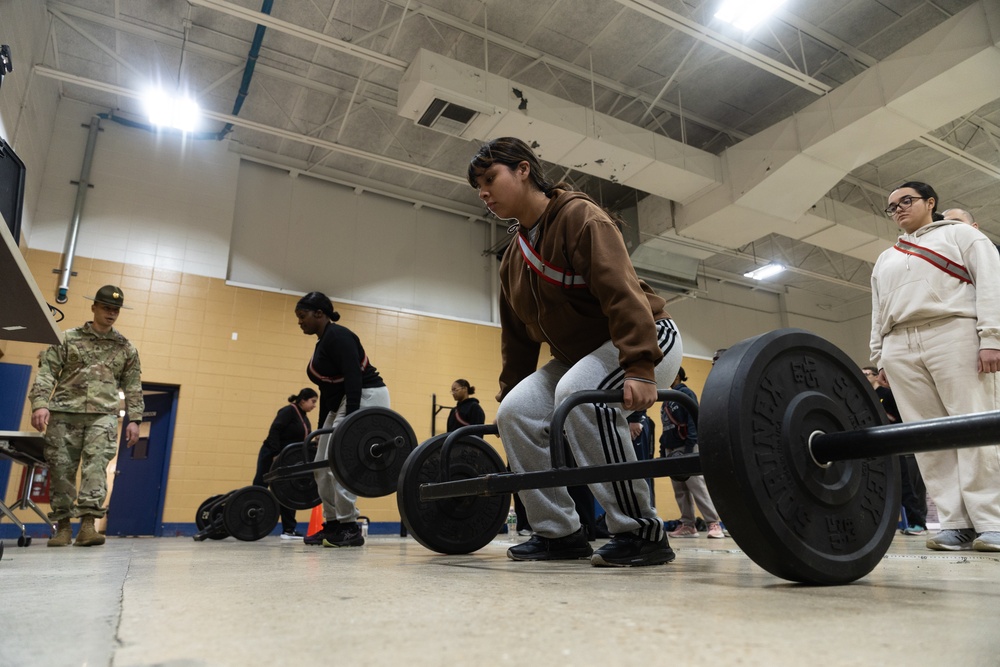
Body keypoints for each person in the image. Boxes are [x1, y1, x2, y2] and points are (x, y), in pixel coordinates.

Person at [467, 137, 683, 567]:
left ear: (524, 169)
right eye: (478, 188)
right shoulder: (513, 258)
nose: (484, 193)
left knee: (577, 393)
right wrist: (510, 392)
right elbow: (517, 340)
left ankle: (641, 531)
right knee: (515, 412)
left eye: (490, 178)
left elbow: (622, 293)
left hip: (647, 338)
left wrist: (639, 364)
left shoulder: (580, 216)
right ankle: (559, 534)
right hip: (578, 359)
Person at [871, 181, 1000, 552]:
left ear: (930, 203)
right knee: (928, 437)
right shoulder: (886, 257)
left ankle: (991, 520)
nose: (898, 209)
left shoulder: (961, 236)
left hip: (954, 331)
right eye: (891, 206)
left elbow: (991, 283)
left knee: (973, 425)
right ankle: (955, 523)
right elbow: (878, 311)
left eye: (905, 201)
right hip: (900, 344)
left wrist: (991, 337)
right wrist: (879, 355)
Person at [28, 285, 143, 548]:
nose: (111, 313)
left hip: (103, 416)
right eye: (106, 308)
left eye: (115, 310)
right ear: (94, 308)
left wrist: (135, 419)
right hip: (64, 414)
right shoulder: (66, 338)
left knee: (95, 469)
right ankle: (63, 528)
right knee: (61, 470)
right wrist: (40, 404)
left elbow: (133, 385)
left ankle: (89, 526)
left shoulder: (125, 348)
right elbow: (47, 373)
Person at [295, 291, 389, 548]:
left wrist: (353, 420)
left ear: (319, 313)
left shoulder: (338, 335)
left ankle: (349, 527)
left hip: (366, 395)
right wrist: (319, 431)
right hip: (343, 400)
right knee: (320, 464)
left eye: (302, 316)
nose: (300, 322)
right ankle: (333, 524)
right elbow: (328, 392)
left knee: (341, 461)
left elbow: (353, 376)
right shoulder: (322, 342)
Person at [862, 366, 928, 536]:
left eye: (867, 374)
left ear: (877, 377)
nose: (863, 377)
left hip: (893, 444)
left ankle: (918, 523)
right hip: (875, 447)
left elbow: (900, 416)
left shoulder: (887, 394)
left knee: (905, 485)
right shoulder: (865, 398)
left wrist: (887, 417)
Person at [660, 368, 724, 539]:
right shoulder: (667, 398)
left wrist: (690, 448)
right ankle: (688, 525)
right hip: (671, 450)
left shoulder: (686, 393)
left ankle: (713, 523)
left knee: (697, 486)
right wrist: (663, 450)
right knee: (680, 490)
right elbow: (666, 427)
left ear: (677, 375)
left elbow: (693, 420)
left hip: (686, 446)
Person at [252, 388, 318, 539]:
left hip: (288, 460)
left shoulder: (303, 416)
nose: (314, 405)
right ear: (303, 400)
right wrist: (275, 453)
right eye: (313, 402)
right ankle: (252, 521)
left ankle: (289, 530)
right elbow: (274, 430)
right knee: (261, 485)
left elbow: (299, 441)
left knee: (288, 492)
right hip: (272, 455)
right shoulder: (288, 411)